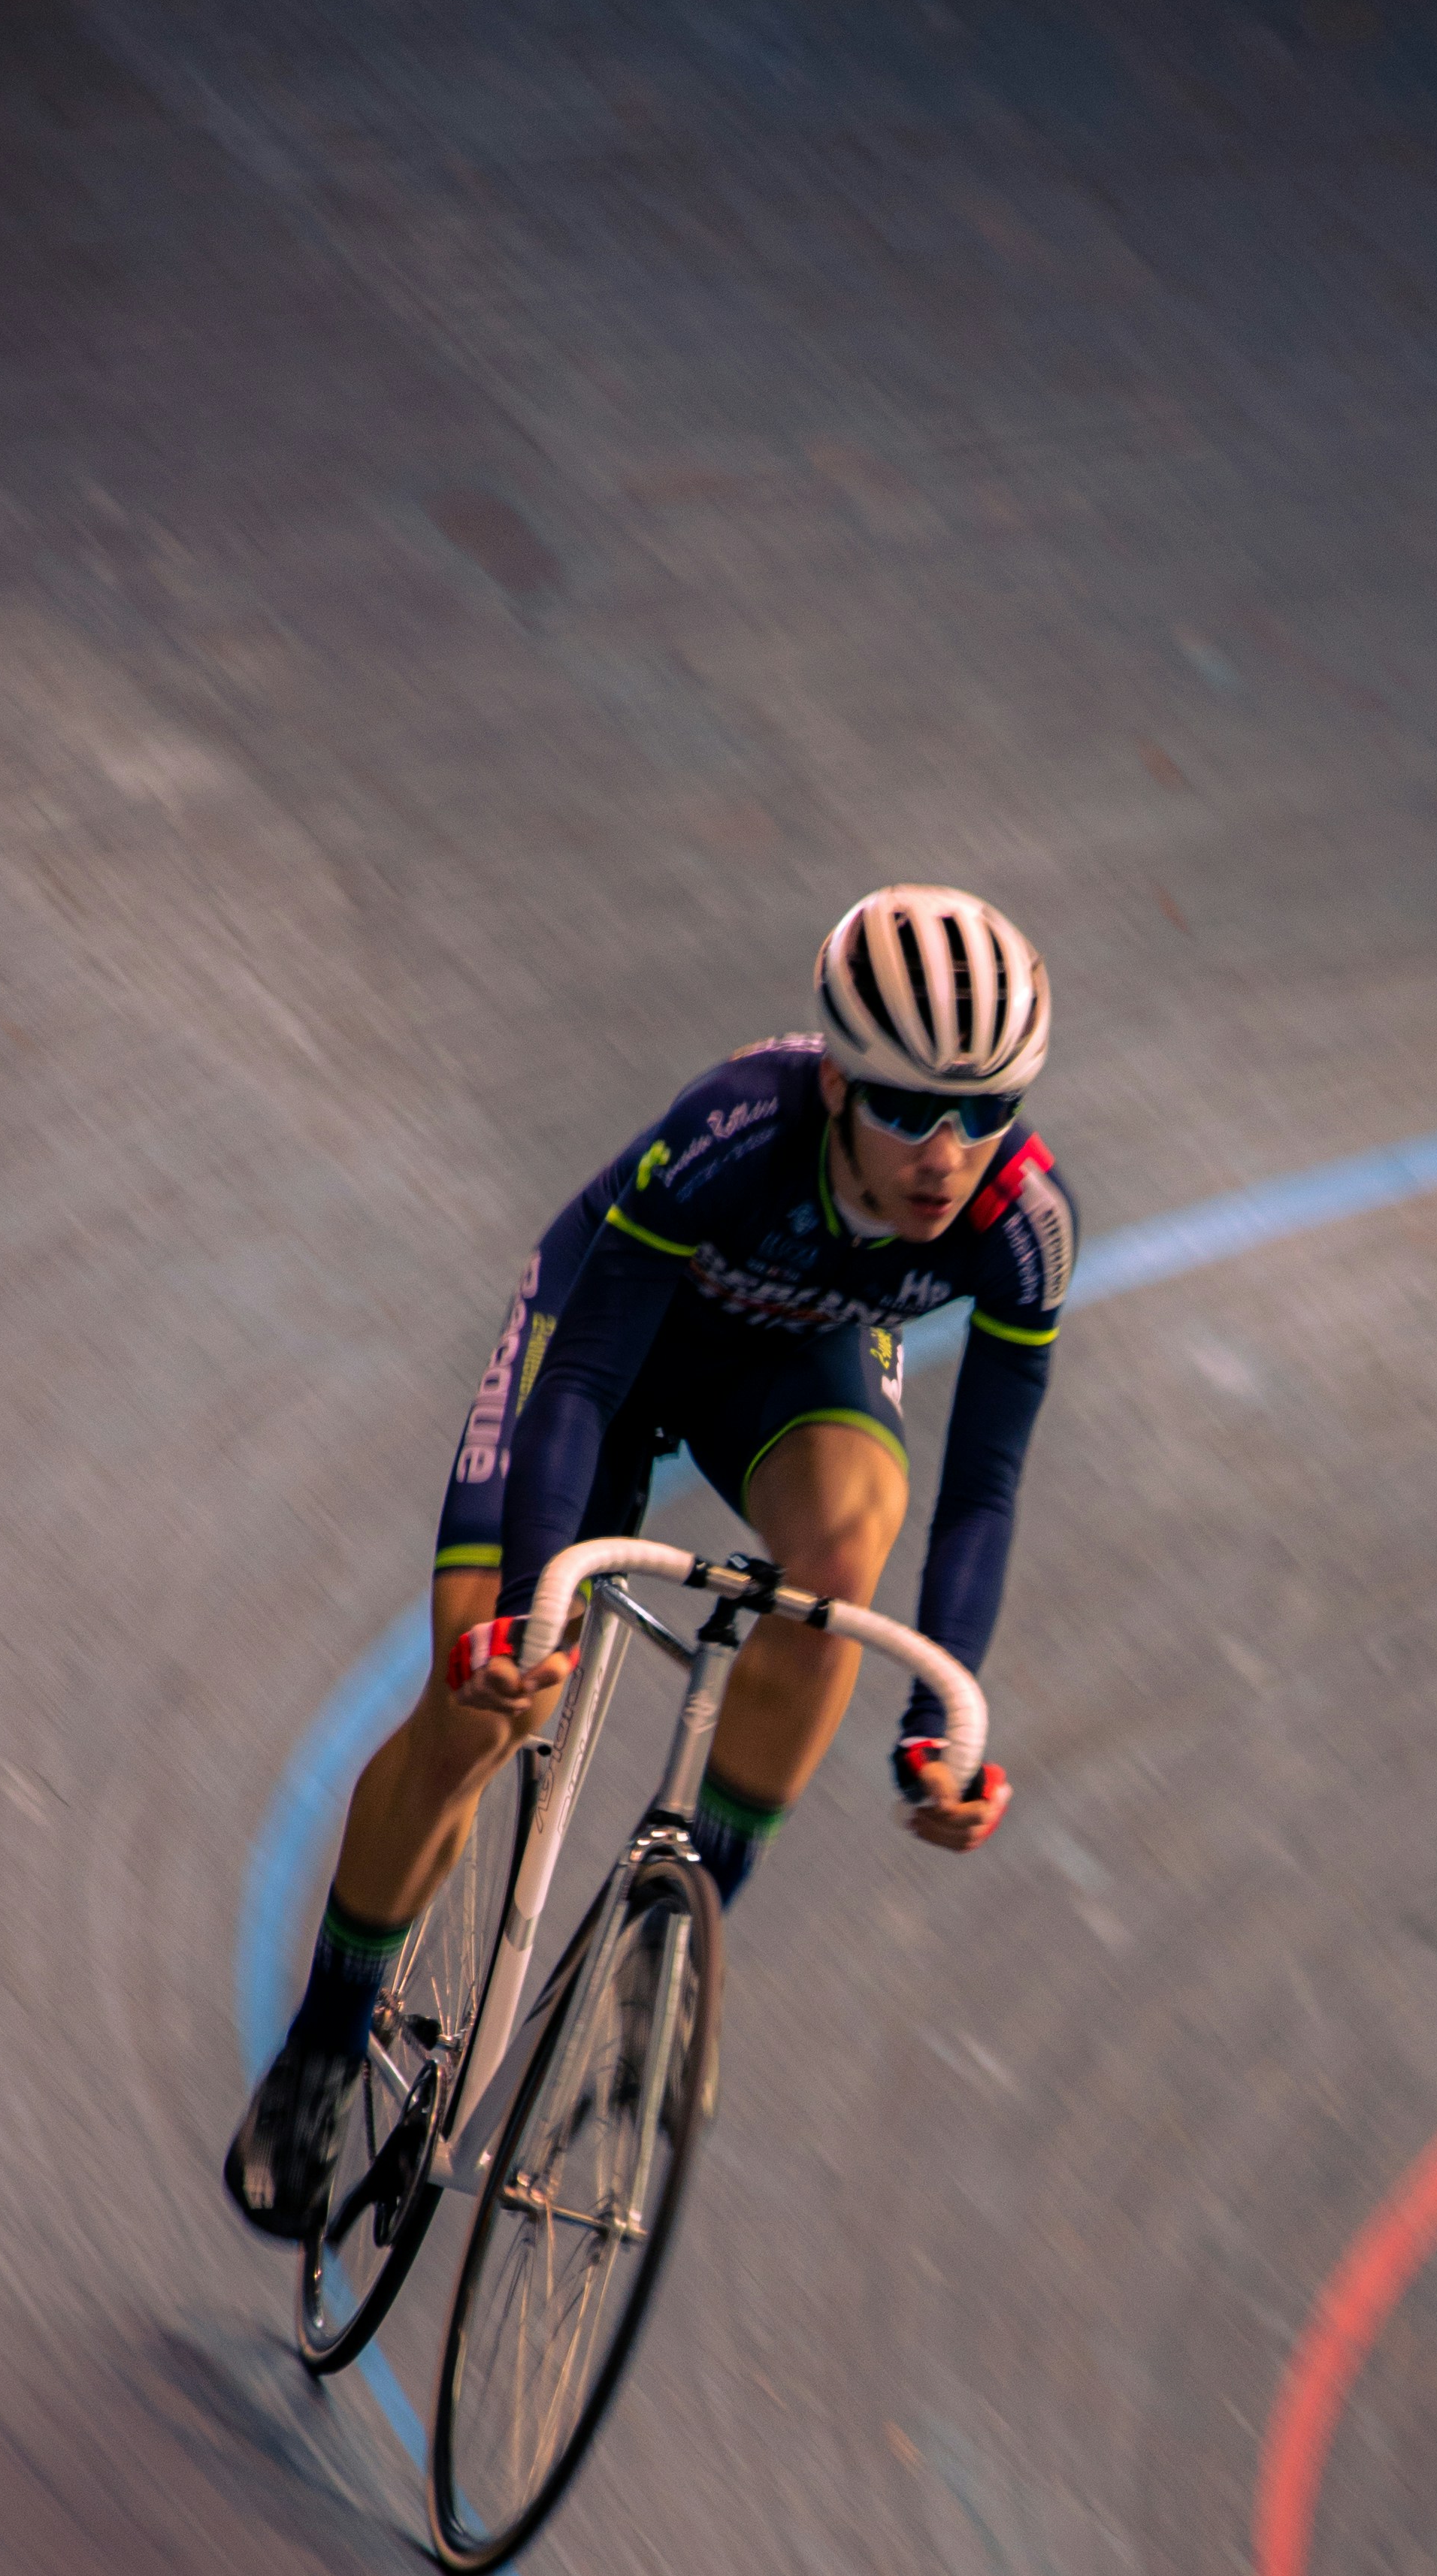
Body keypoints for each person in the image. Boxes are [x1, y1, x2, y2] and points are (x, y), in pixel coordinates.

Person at [225, 885, 1078, 2239]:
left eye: (988, 1113)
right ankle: (325, 2044)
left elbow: (981, 1489)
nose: (948, 1152)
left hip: (793, 1369)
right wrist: (521, 1614)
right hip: (608, 1352)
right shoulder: (735, 1130)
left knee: (841, 1564)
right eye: (913, 1108)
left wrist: (942, 1722)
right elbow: (584, 1378)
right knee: (485, 1710)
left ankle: (665, 1945)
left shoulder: (1023, 1229)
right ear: (846, 1086)